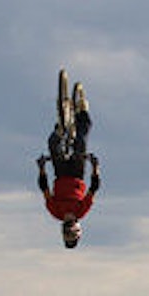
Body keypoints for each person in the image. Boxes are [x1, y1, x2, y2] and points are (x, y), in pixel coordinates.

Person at [37, 81, 100, 248]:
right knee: (81, 143)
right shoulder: (81, 211)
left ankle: (60, 129)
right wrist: (95, 167)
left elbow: (45, 189)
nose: (68, 228)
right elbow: (93, 189)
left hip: (61, 173)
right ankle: (83, 112)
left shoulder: (55, 212)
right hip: (77, 174)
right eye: (71, 233)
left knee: (53, 145)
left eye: (67, 233)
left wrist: (42, 168)